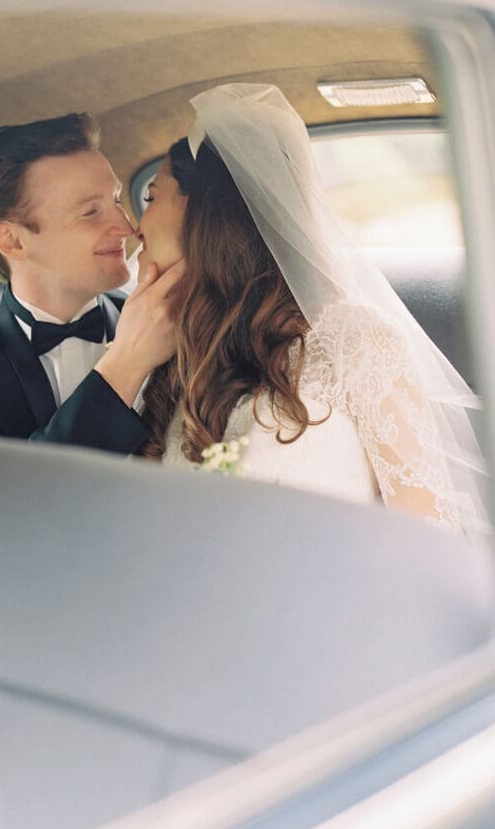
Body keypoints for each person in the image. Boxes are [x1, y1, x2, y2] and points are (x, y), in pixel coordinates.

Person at [136, 82, 489, 538]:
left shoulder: (356, 344)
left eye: (150, 198)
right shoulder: (171, 355)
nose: (135, 223)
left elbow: (429, 541)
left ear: (203, 213)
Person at [0, 112, 183, 453]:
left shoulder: (171, 324)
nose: (127, 227)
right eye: (90, 212)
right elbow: (8, 497)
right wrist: (126, 364)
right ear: (12, 241)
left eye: (116, 200)